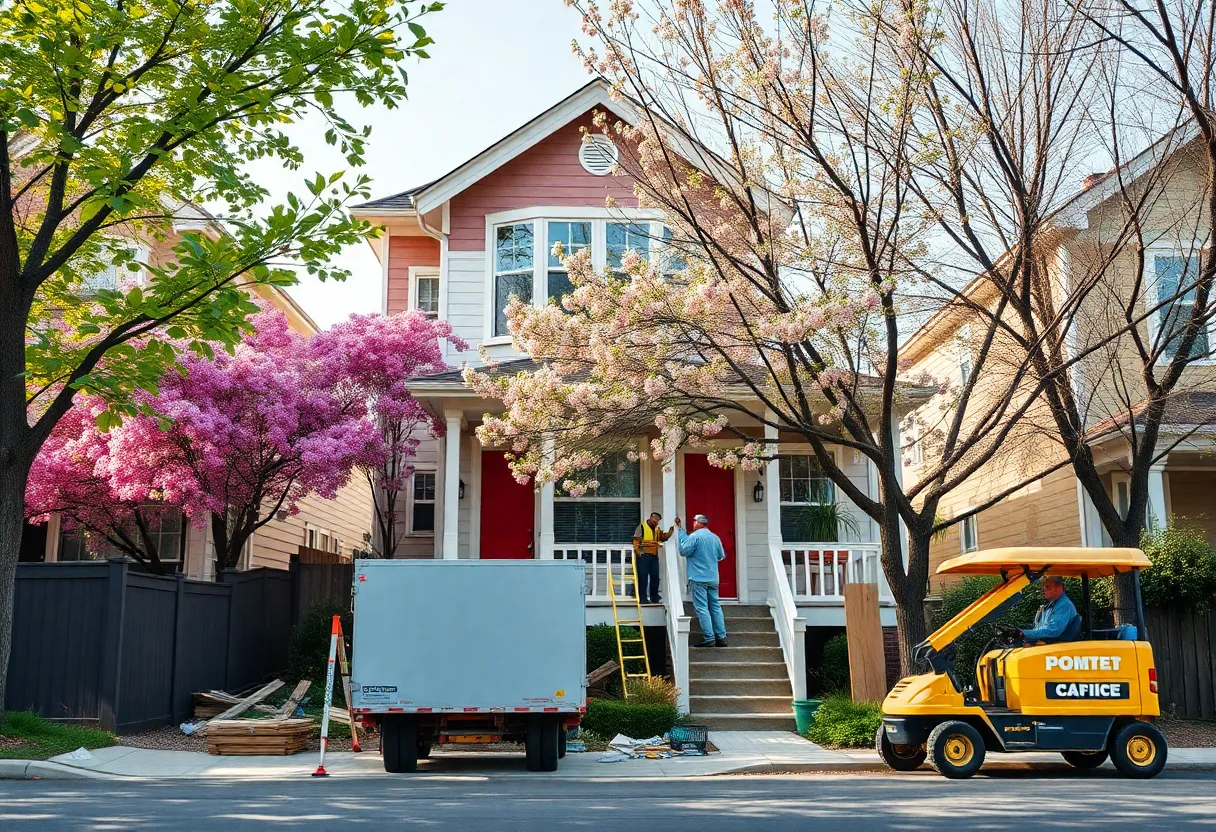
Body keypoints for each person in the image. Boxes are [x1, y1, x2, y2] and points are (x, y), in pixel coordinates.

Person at [674, 514, 728, 647]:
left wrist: (681, 532)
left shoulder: (695, 537)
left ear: (698, 523)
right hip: (713, 578)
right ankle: (721, 637)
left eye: (694, 521)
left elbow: (683, 551)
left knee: (702, 608)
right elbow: (721, 555)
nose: (693, 523)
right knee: (715, 606)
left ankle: (709, 638)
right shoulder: (715, 537)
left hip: (698, 578)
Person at [1020, 575, 1080, 644]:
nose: (1044, 589)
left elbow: (1052, 631)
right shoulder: (1050, 606)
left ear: (1058, 587)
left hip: (1057, 648)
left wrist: (1023, 633)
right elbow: (1039, 629)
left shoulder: (1064, 605)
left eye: (1047, 586)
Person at [632, 512, 672, 605]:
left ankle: (654, 597)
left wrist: (671, 531)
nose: (655, 523)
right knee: (643, 577)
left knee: (655, 577)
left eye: (657, 521)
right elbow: (636, 540)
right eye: (654, 520)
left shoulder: (657, 529)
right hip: (643, 555)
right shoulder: (641, 526)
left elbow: (663, 537)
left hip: (654, 555)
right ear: (650, 518)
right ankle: (643, 598)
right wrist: (638, 552)